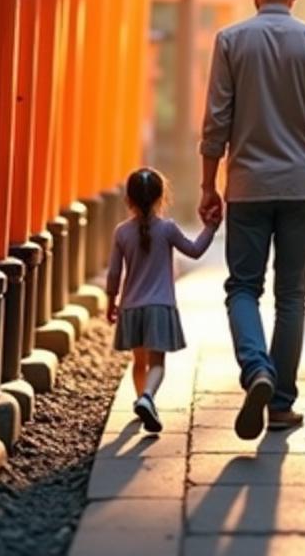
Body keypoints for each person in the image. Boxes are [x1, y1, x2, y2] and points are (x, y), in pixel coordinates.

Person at [199, 0, 305, 440]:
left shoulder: (230, 41)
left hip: (246, 186)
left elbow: (216, 123)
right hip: (299, 186)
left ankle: (256, 370)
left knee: (243, 288)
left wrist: (209, 185)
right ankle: (281, 402)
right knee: (292, 296)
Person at [106, 166, 221, 433]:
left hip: (131, 307)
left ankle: (140, 400)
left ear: (128, 200)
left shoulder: (121, 232)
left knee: (139, 362)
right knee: (157, 364)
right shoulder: (167, 229)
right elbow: (194, 250)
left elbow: (114, 273)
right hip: (160, 306)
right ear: (161, 198)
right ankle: (147, 398)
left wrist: (111, 301)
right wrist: (210, 228)